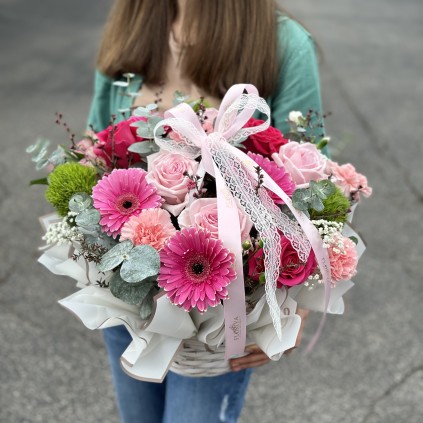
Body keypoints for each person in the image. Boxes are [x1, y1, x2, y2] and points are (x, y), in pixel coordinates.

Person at [87, 1, 324, 422]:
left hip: (220, 313)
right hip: (126, 302)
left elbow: (311, 185)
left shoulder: (282, 42)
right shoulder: (133, 21)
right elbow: (92, 158)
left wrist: (296, 303)